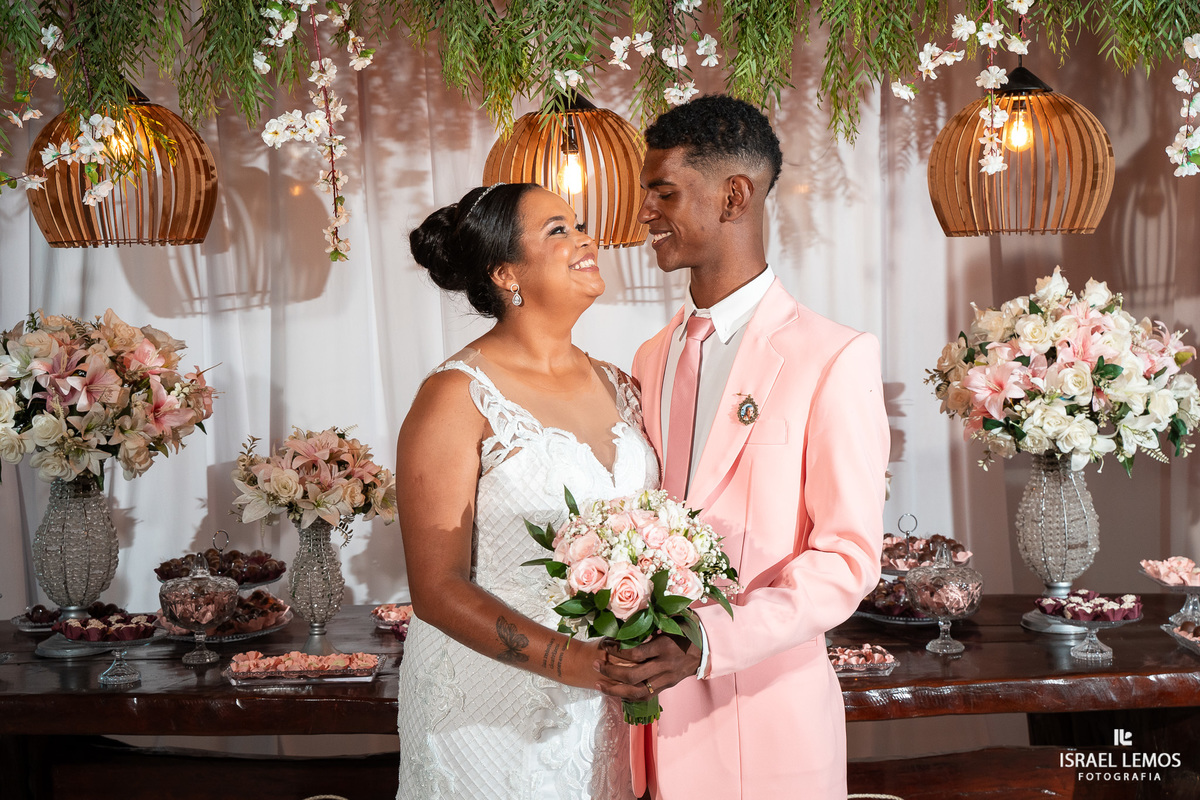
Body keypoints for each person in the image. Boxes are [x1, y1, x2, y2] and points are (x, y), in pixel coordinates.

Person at [595, 95, 890, 798]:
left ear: (734, 195)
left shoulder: (834, 356)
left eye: (663, 191)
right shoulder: (650, 355)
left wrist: (707, 643)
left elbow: (848, 559)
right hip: (647, 729)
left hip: (765, 724)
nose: (643, 212)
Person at [395, 182, 657, 799]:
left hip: (600, 702)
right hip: (486, 702)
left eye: (580, 224)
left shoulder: (621, 384)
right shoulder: (455, 397)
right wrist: (576, 662)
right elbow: (436, 589)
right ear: (505, 272)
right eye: (558, 231)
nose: (586, 239)